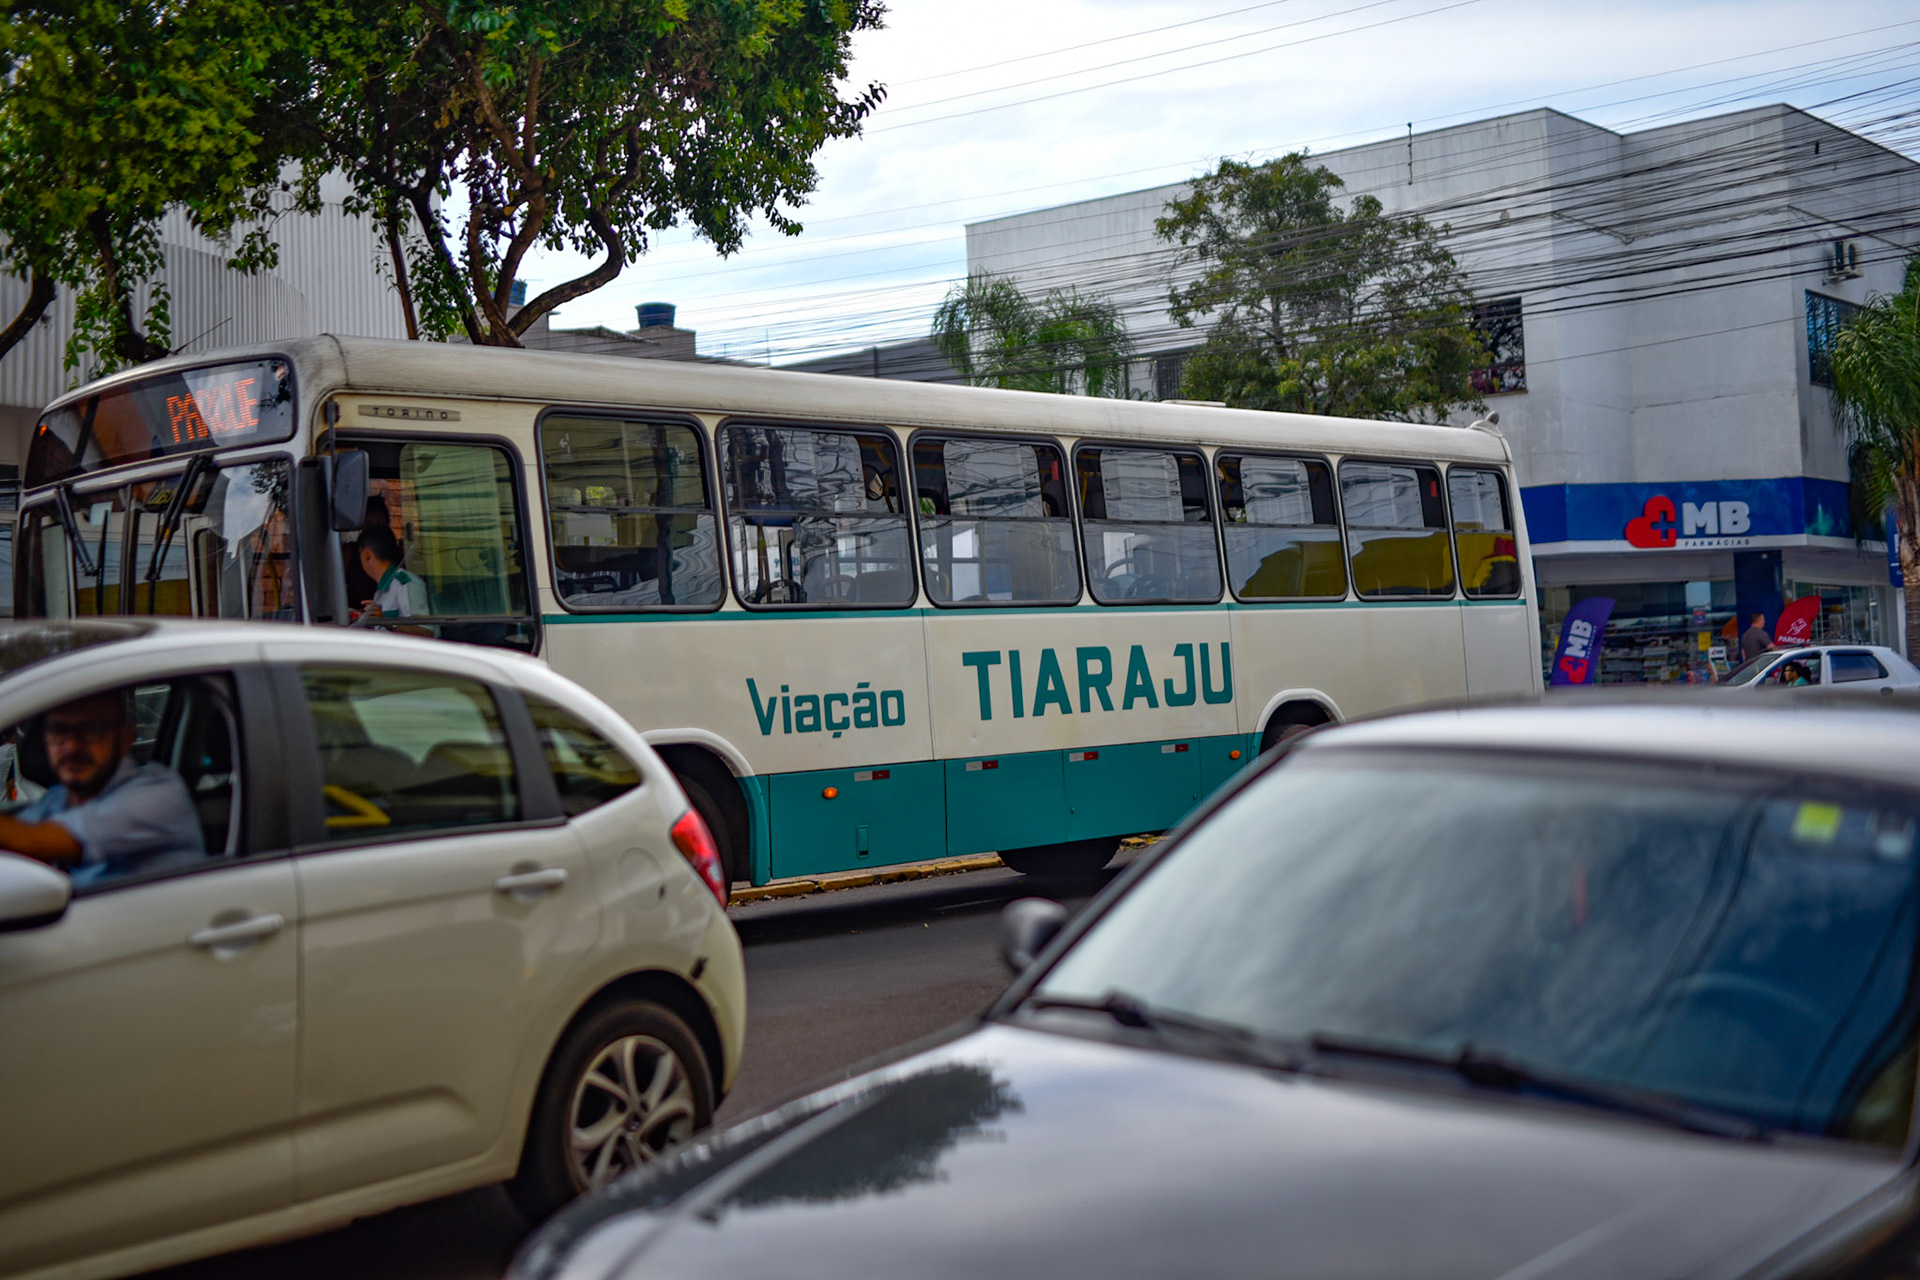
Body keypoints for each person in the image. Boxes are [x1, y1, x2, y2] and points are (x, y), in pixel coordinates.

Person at [0, 691, 204, 884]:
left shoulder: (159, 794)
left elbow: (30, 840)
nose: (71, 746)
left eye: (90, 731)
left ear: (125, 739)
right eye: (59, 731)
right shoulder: (57, 800)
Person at [351, 522, 430, 625]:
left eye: (359, 554)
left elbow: (426, 632)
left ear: (367, 555)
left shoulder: (406, 583)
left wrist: (386, 622)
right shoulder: (382, 590)